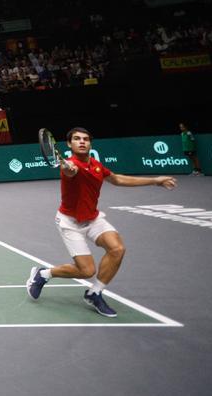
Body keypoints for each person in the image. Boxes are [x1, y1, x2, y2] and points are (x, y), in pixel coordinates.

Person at [27, 127, 177, 317]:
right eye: (77, 139)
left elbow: (117, 179)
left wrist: (155, 180)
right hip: (70, 222)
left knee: (117, 249)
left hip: (93, 218)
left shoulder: (96, 166)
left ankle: (94, 293)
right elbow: (70, 171)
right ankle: (43, 274)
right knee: (86, 270)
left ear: (90, 143)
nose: (82, 142)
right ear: (69, 144)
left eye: (86, 139)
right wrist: (69, 169)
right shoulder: (69, 166)